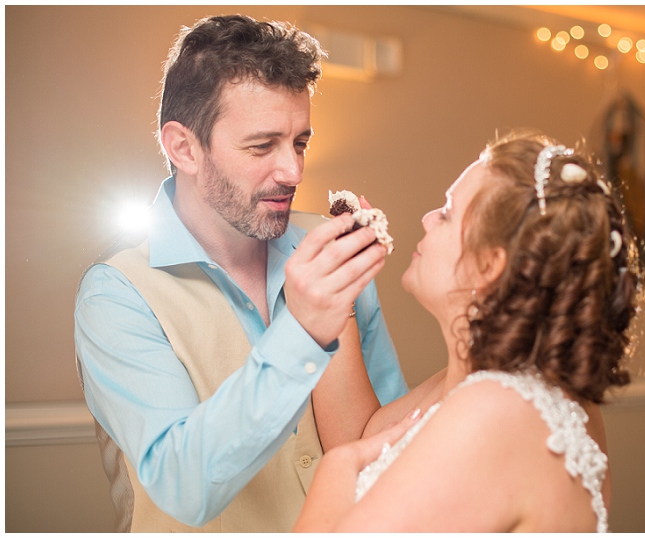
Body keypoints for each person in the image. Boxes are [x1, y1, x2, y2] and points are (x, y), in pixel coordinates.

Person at [73, 15, 407, 532]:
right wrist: (303, 332)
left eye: (300, 142)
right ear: (183, 148)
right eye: (261, 146)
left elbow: (371, 441)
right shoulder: (116, 294)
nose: (293, 171)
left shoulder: (329, 248)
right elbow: (182, 483)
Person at [293, 129, 643, 532]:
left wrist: (337, 468)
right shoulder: (503, 381)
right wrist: (337, 298)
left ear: (491, 265)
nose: (427, 218)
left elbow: (348, 456)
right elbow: (364, 437)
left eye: (446, 212)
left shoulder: (494, 408)